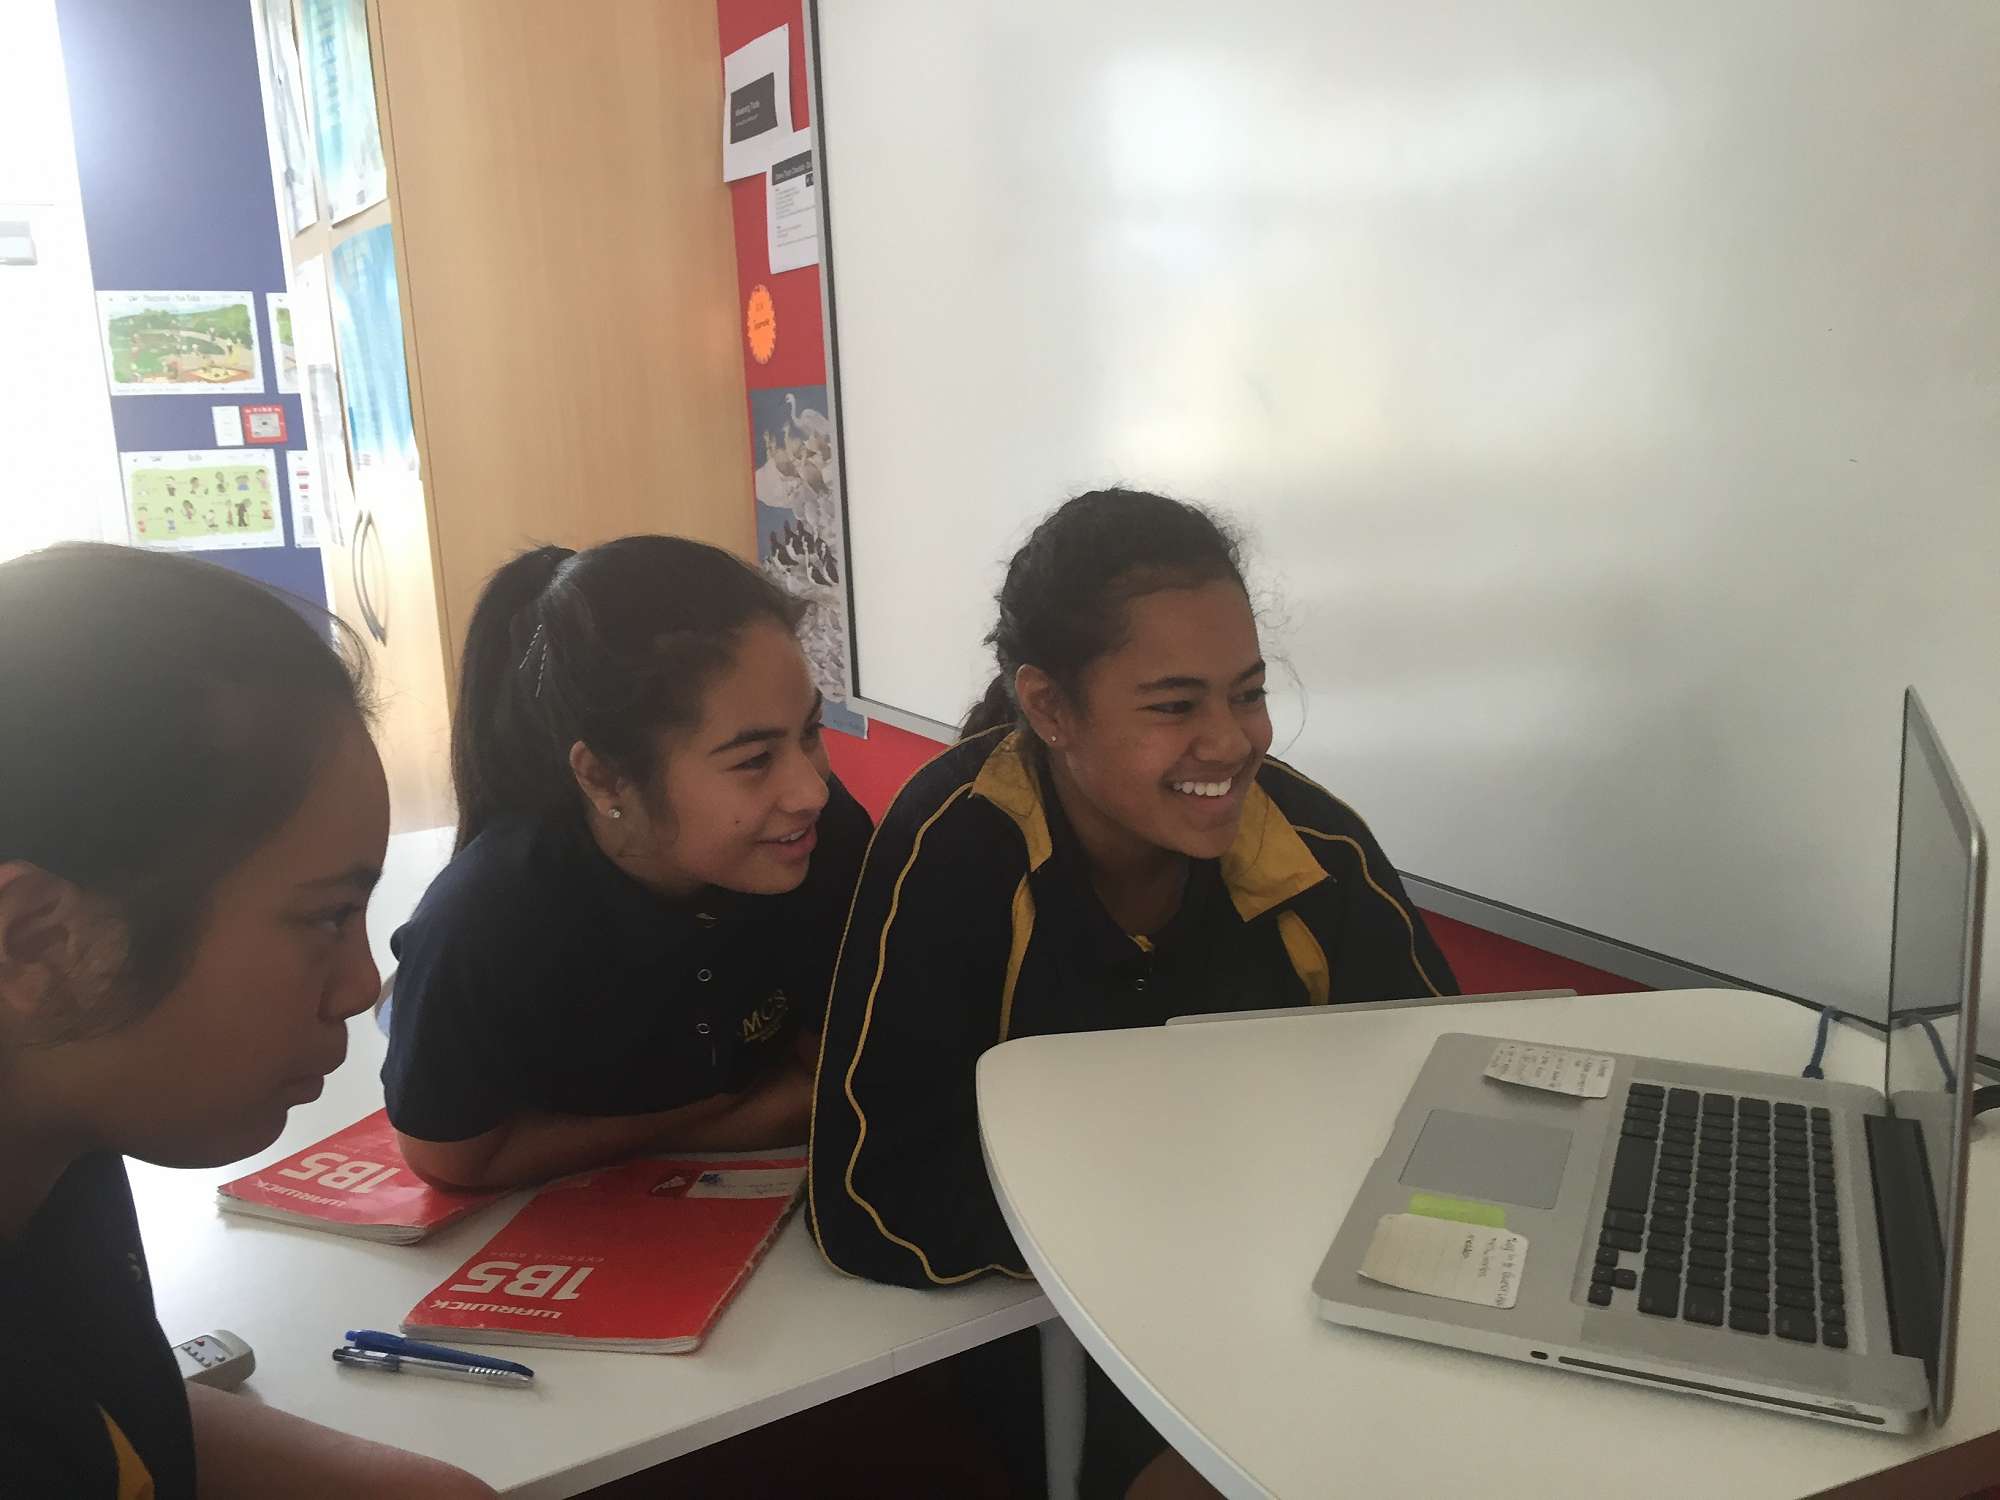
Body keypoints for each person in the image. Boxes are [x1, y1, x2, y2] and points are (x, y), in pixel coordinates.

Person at [809, 488, 1458, 1499]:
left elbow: (1443, 1100)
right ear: (1050, 709)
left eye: (1246, 692)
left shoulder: (1312, 848)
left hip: (1297, 1308)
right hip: (1062, 1329)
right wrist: (1188, 1221)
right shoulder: (958, 850)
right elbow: (869, 1196)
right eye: (1173, 706)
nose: (1231, 742)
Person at [0, 543, 491, 1498]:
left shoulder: (54, 1142)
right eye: (326, 917)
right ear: (39, 942)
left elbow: (94, 1402)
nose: (360, 986)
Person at [383, 537, 871, 1190]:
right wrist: (718, 1110)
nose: (812, 790)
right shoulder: (485, 923)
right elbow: (450, 1157)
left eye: (810, 733)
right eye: (754, 760)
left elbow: (836, 1082)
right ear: (606, 777)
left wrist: (609, 1134)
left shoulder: (823, 840)